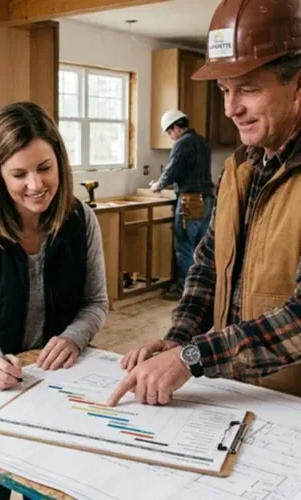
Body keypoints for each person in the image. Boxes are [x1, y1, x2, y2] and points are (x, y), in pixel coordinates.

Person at [108, 0, 301, 408]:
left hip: (290, 408)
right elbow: (208, 267)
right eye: (225, 90)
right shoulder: (239, 169)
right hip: (236, 393)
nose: (231, 108)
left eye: (248, 89)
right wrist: (178, 340)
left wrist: (193, 357)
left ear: (298, 85)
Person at [0, 101, 109, 499]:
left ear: (59, 162)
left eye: (44, 168)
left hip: (58, 384)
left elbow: (95, 303)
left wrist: (73, 338)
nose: (36, 185)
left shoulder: (81, 220)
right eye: (19, 174)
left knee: (61, 481)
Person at [150, 109, 214, 300]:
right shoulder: (202, 141)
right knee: (201, 248)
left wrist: (157, 186)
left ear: (176, 127)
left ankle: (186, 291)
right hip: (206, 200)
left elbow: (172, 170)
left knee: (184, 246)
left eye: (170, 132)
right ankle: (202, 291)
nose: (170, 137)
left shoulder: (182, 143)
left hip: (189, 201)